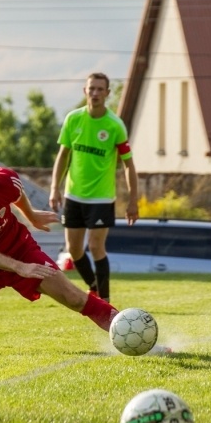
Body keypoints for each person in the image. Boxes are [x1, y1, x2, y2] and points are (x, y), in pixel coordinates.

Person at [0, 140, 120, 358]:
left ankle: (132, 329)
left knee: (74, 298)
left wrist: (32, 216)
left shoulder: (5, 179)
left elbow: (17, 196)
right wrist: (19, 268)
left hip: (21, 251)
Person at [50, 72, 138, 302]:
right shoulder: (73, 119)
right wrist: (54, 188)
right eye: (92, 89)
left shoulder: (115, 125)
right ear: (85, 91)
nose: (95, 93)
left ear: (108, 94)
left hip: (101, 198)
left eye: (100, 89)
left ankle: (106, 302)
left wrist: (133, 200)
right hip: (74, 196)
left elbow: (128, 165)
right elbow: (63, 156)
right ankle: (93, 286)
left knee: (97, 247)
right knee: (74, 249)